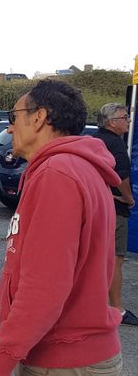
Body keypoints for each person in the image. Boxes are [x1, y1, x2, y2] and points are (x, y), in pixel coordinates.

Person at [0, 80, 122, 376]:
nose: (9, 129)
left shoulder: (57, 174)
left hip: (63, 360)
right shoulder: (76, 168)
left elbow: (44, 286)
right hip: (76, 355)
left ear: (39, 117)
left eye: (13, 117)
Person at [93, 102, 138, 326]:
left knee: (96, 258)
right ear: (112, 122)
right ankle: (117, 309)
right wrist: (128, 198)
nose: (128, 121)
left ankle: (91, 304)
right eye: (124, 117)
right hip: (115, 210)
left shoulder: (94, 141)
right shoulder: (117, 145)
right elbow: (120, 176)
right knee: (115, 259)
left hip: (97, 206)